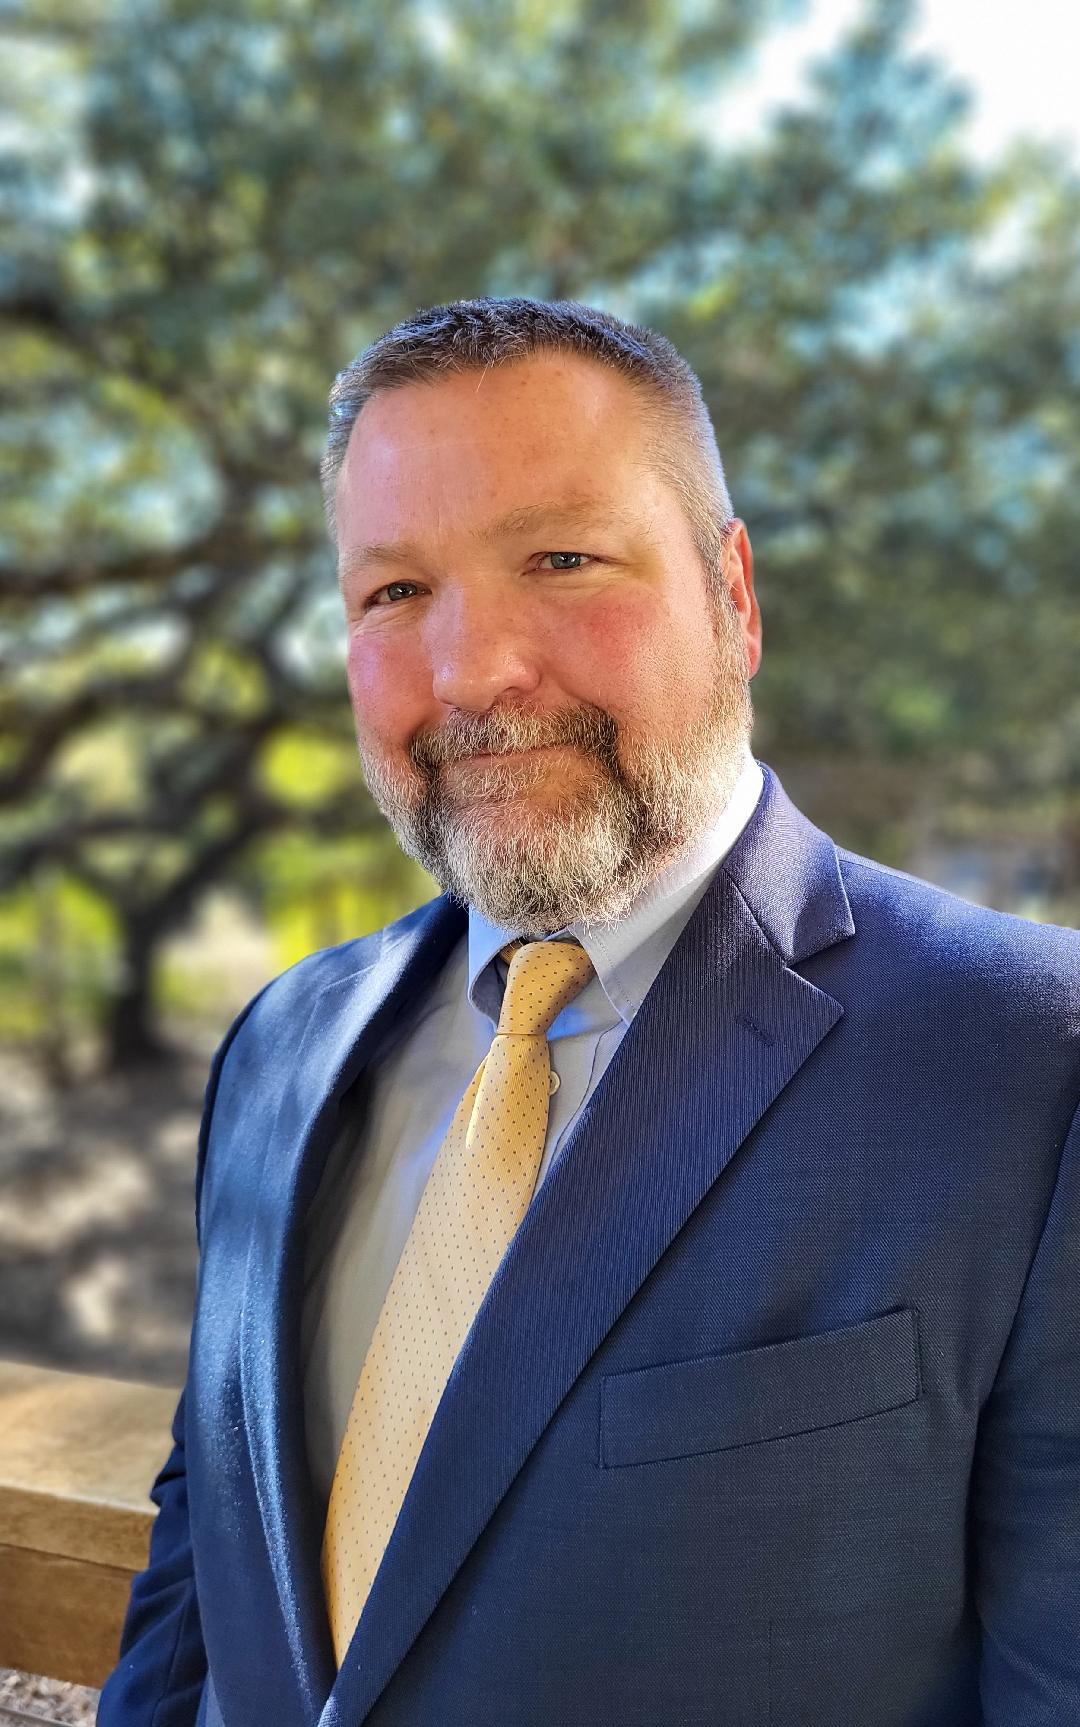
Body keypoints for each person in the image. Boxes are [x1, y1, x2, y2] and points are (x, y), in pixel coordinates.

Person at [97, 296, 1080, 1727]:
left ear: (736, 596)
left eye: (562, 558)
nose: (474, 670)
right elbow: (204, 1567)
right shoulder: (279, 1050)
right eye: (393, 593)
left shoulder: (1026, 1065)